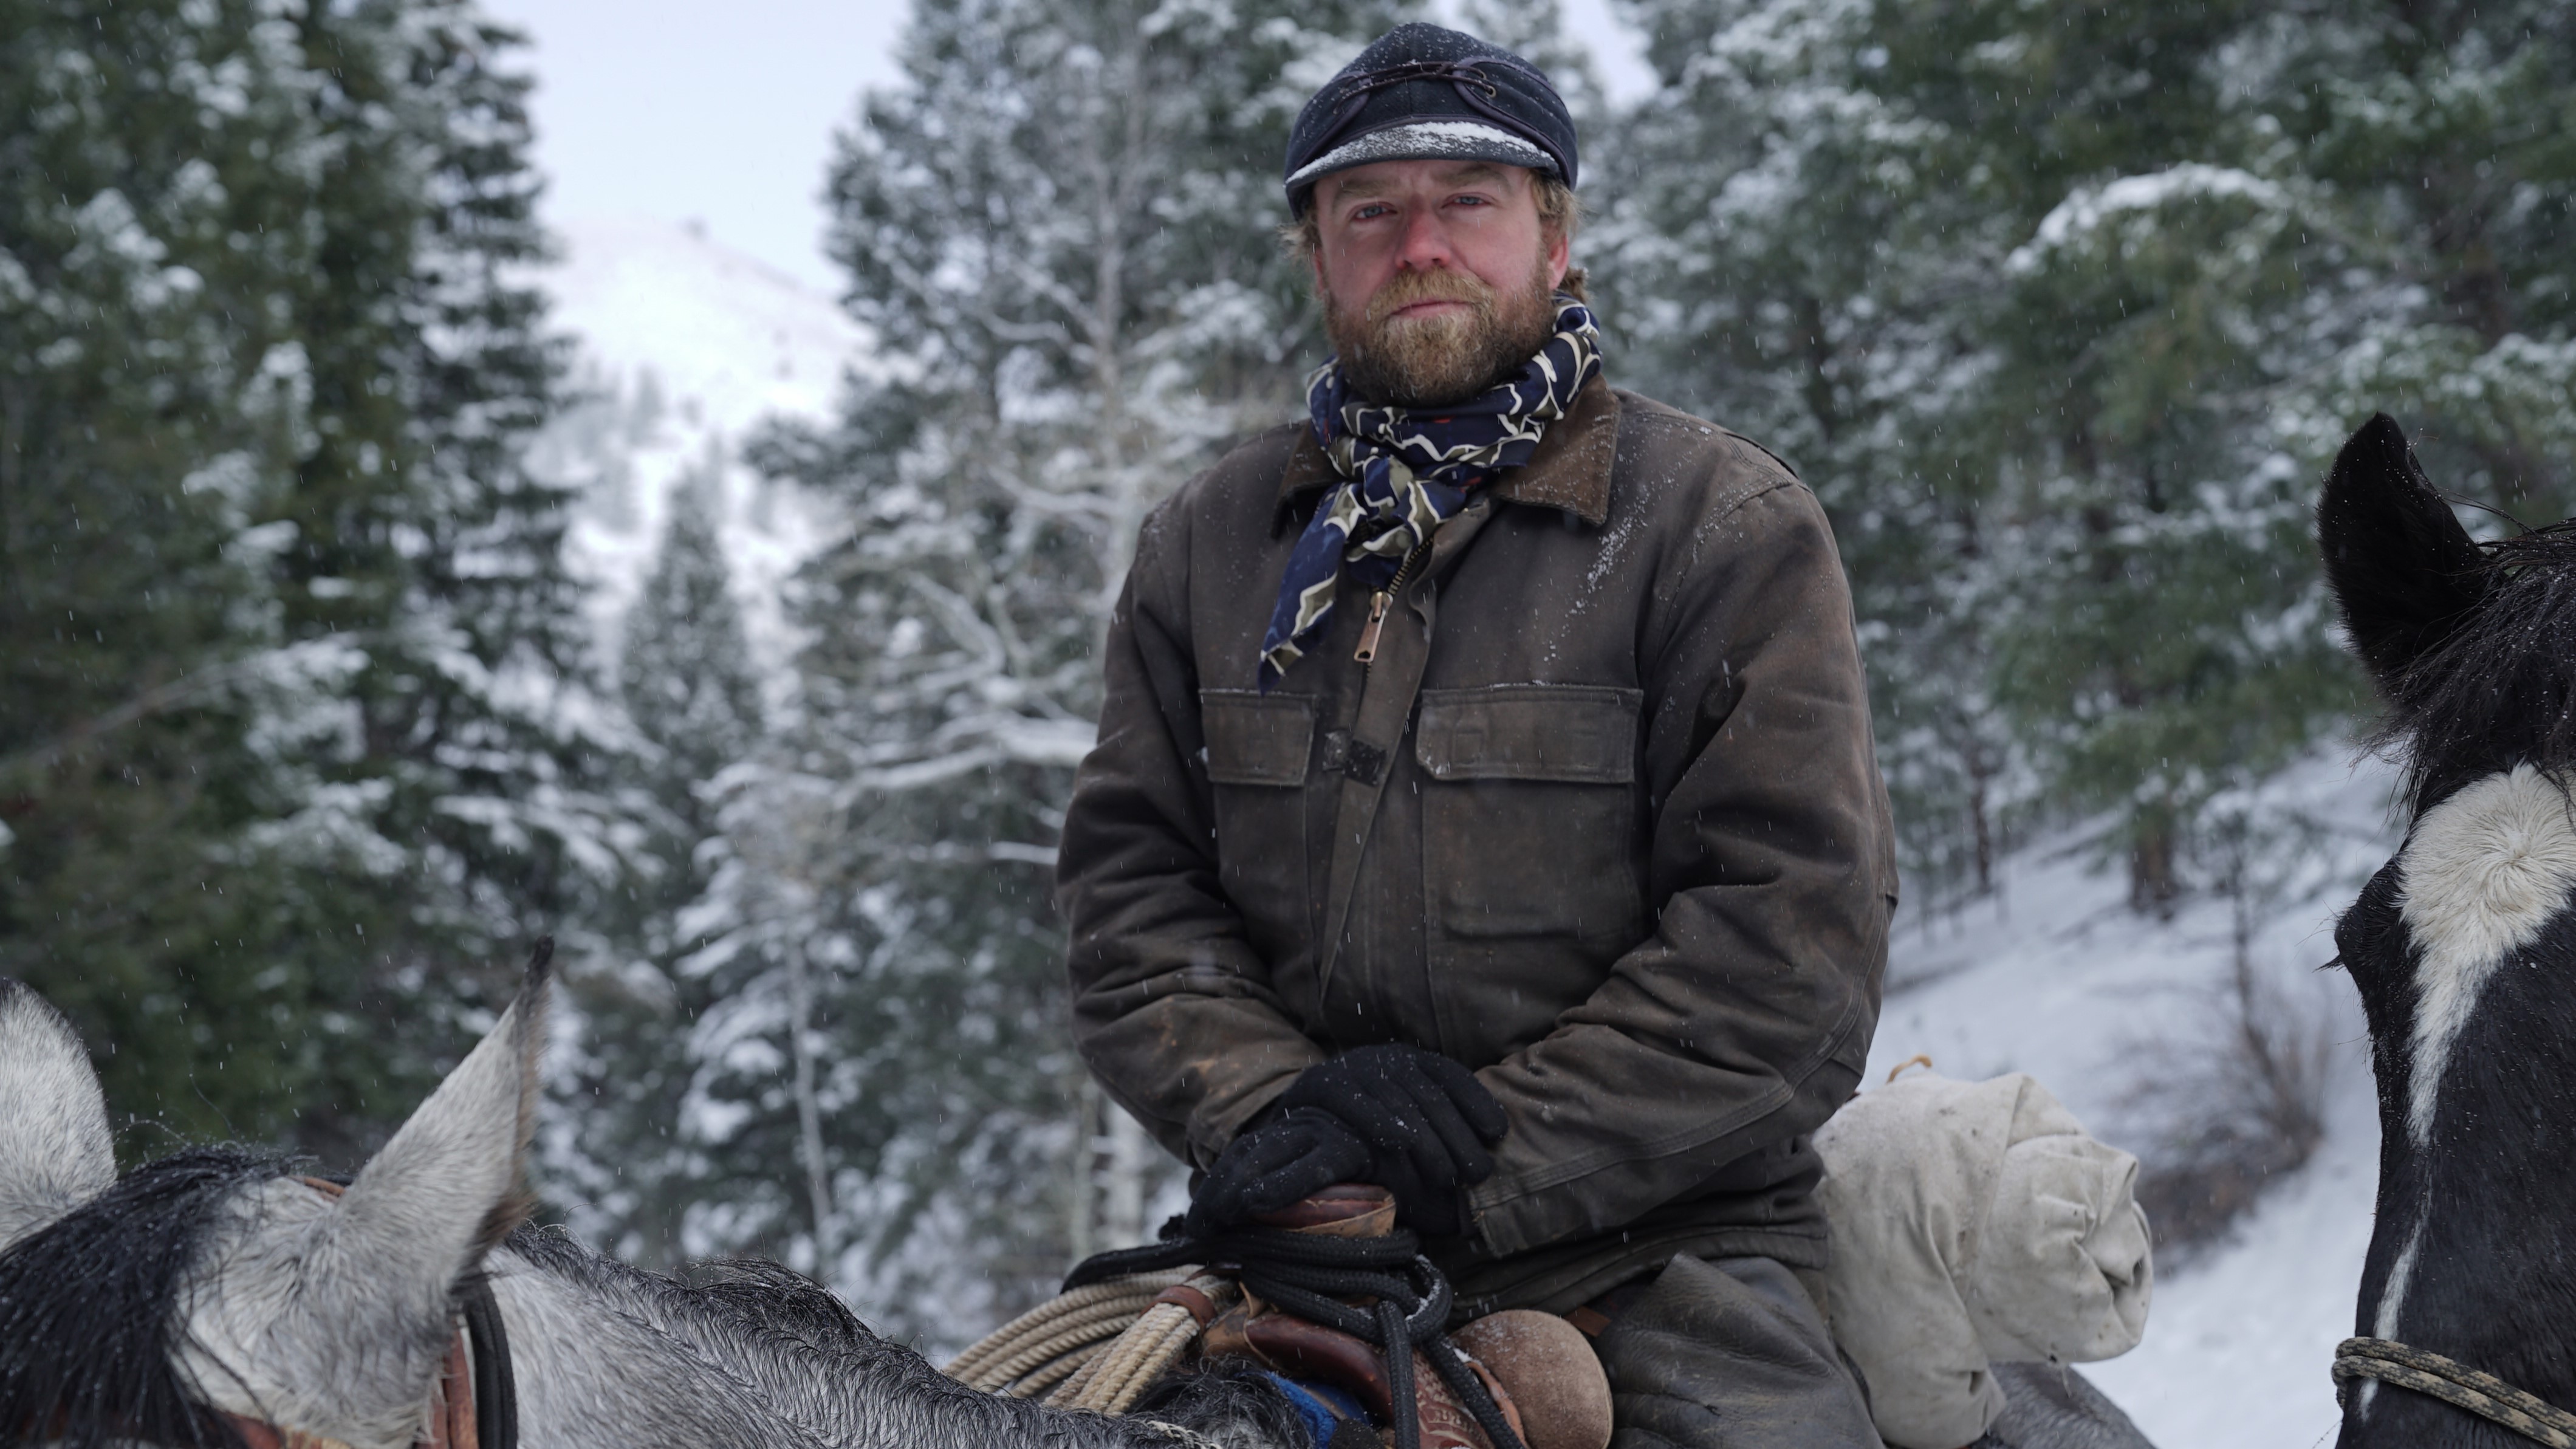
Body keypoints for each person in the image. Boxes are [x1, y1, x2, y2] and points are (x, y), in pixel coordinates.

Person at [1056, 22, 1897, 1448]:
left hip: (1659, 1246)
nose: (1418, 243)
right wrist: (1285, 1116)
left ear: (1554, 241)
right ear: (1316, 259)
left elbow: (1788, 947)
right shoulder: (1207, 544)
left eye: (1468, 200)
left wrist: (1473, 1159)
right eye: (1367, 211)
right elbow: (1130, 895)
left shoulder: (1719, 527)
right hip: (1297, 1235)